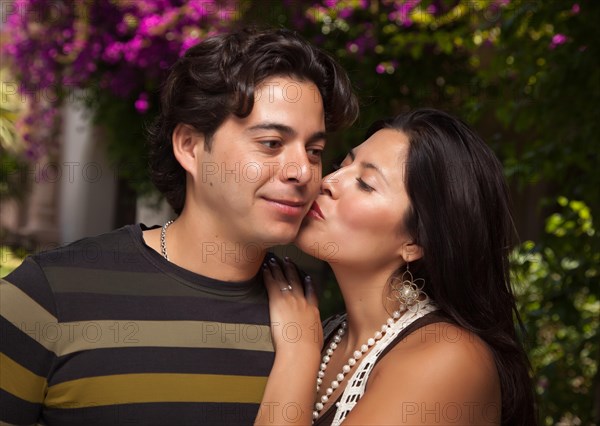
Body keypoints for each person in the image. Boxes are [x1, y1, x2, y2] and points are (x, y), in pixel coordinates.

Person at [0, 27, 358, 425]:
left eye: (315, 151)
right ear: (189, 146)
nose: (302, 171)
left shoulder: (312, 327)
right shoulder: (49, 294)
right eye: (272, 143)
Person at [263, 108, 538, 425]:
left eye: (365, 183)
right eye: (342, 165)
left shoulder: (449, 358)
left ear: (415, 242)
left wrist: (297, 353)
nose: (328, 181)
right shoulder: (326, 333)